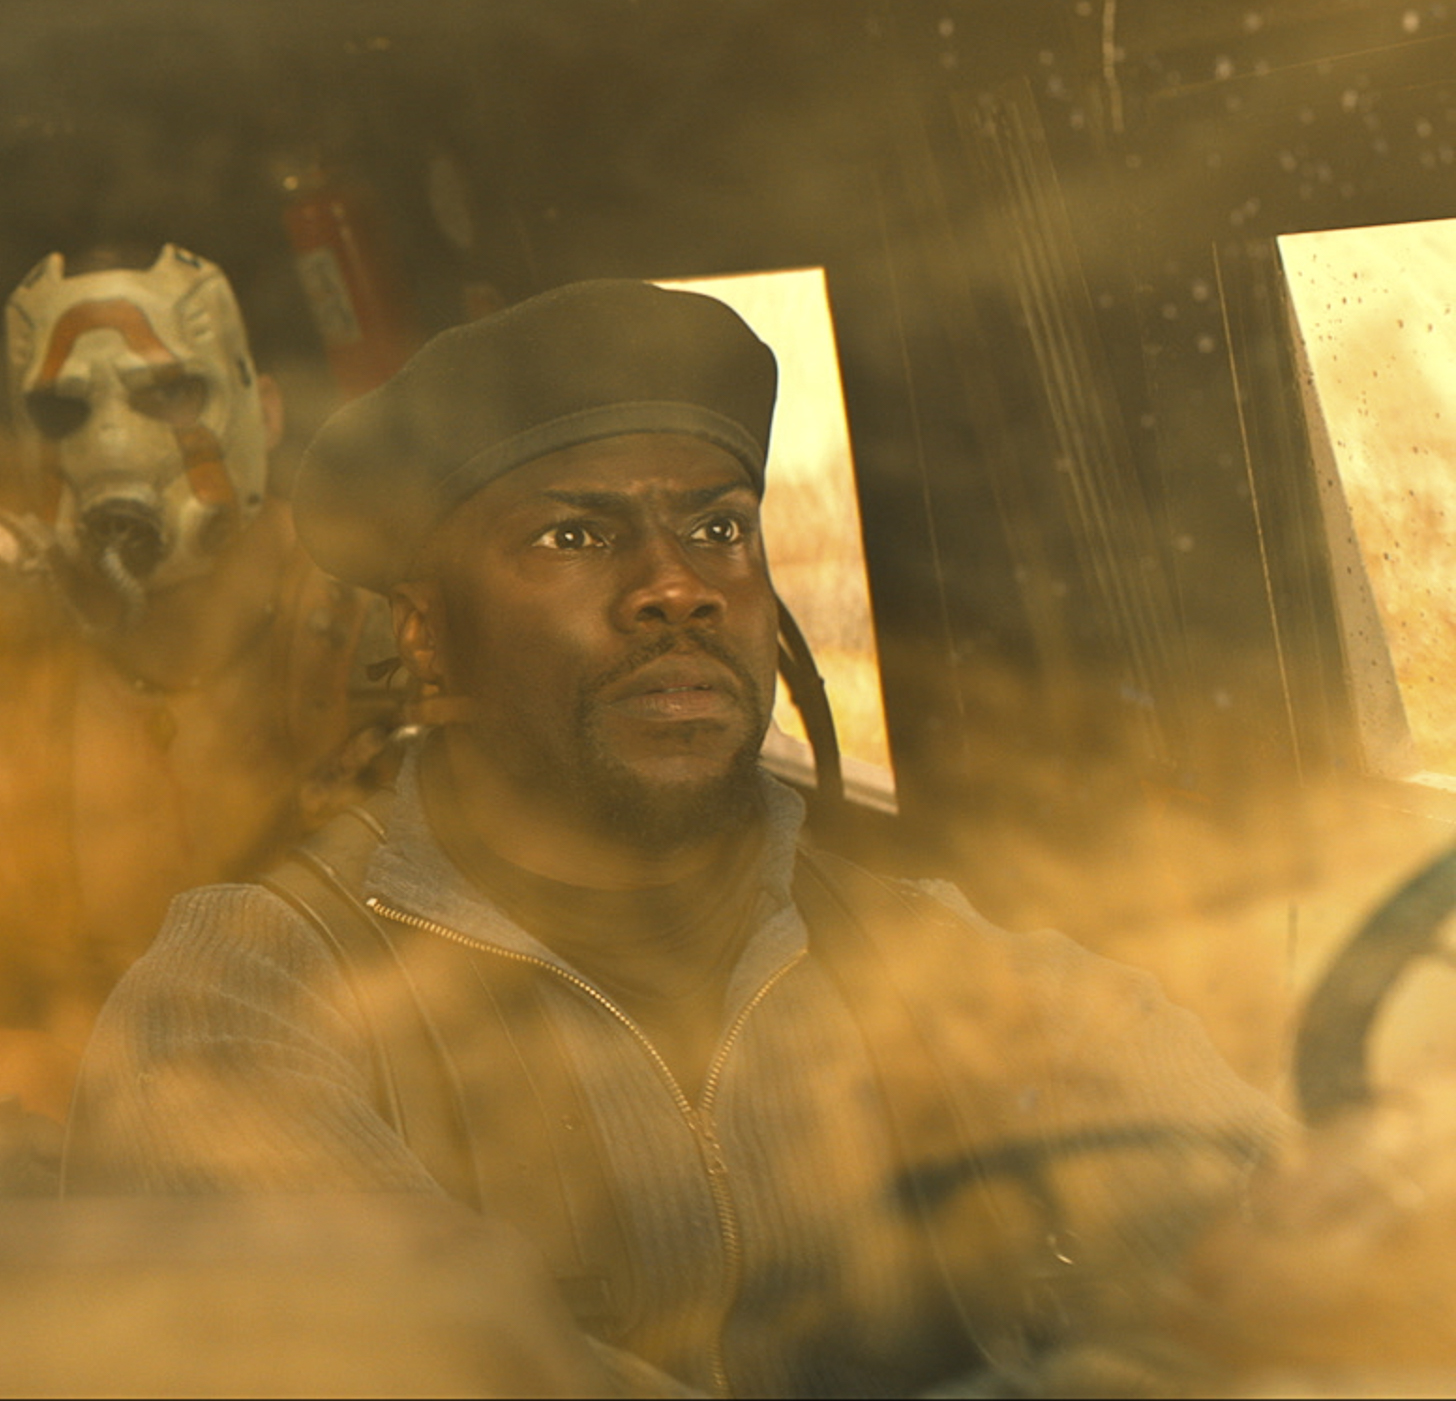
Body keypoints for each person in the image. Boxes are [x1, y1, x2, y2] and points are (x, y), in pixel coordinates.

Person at [67, 280, 1286, 1395]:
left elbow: (1289, 1240)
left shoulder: (932, 959)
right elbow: (445, 1363)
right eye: (576, 536)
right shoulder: (243, 994)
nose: (677, 586)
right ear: (427, 635)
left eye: (718, 530)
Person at [0, 245, 385, 1193]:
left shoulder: (379, 634)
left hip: (347, 1126)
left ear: (264, 411)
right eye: (64, 411)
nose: (111, 445)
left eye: (170, 394)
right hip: (73, 1159)